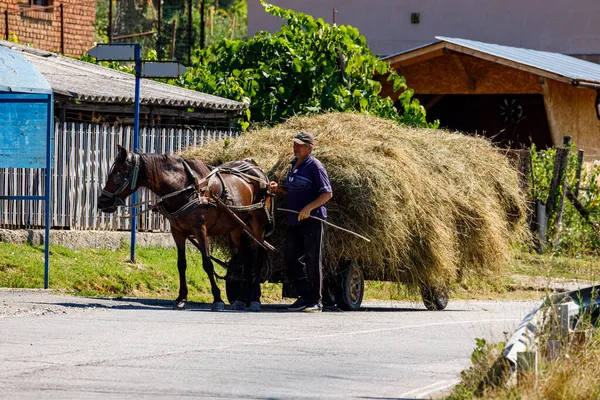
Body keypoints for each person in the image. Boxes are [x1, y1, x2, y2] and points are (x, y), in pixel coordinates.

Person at [269, 132, 333, 313]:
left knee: (313, 258)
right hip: (294, 220)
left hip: (312, 219)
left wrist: (309, 208)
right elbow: (294, 190)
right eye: (294, 144)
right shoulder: (292, 165)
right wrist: (279, 189)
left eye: (300, 145)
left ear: (310, 148)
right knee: (290, 258)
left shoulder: (315, 167)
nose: (295, 147)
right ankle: (305, 295)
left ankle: (316, 301)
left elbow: (327, 194)